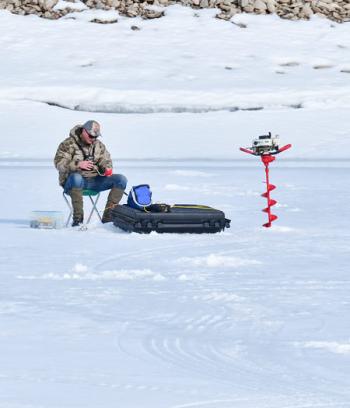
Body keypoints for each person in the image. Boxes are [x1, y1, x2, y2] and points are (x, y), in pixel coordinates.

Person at [54, 120, 127, 226]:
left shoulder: (99, 145)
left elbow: (106, 160)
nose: (93, 139)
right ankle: (78, 219)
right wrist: (78, 164)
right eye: (91, 136)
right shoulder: (68, 144)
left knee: (121, 180)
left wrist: (106, 168)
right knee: (77, 177)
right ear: (84, 131)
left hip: (94, 180)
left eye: (95, 137)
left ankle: (108, 217)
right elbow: (58, 163)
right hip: (72, 182)